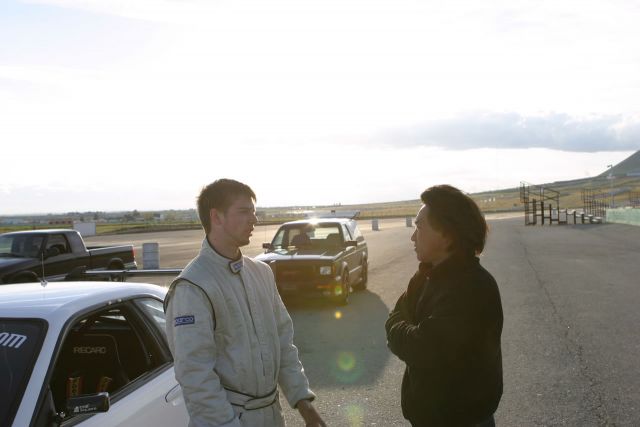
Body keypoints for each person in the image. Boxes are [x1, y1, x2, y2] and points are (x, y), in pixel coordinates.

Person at [164, 179, 326, 427]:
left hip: (272, 416)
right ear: (216, 217)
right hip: (226, 420)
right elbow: (195, 375)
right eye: (244, 211)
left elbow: (283, 343)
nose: (254, 219)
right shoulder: (192, 287)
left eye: (254, 211)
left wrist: (304, 404)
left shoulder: (261, 273)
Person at [385, 185, 503, 427]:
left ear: (447, 234)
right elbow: (396, 319)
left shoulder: (473, 287)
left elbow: (422, 348)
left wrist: (398, 329)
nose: (412, 237)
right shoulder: (425, 276)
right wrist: (400, 328)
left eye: (419, 227)